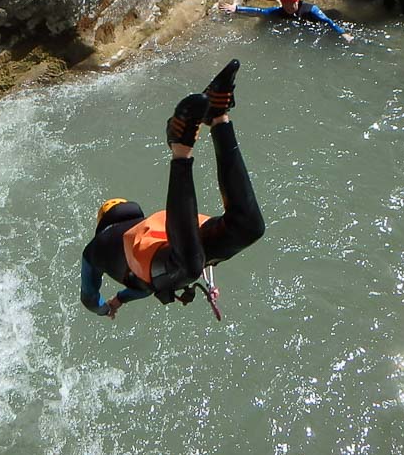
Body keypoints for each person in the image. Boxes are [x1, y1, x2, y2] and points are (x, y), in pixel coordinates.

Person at [80, 60, 266, 319]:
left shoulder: (95, 251)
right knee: (248, 227)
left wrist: (105, 308)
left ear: (103, 223)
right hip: (175, 234)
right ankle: (219, 118)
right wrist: (120, 298)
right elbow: (142, 285)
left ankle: (180, 150)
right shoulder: (144, 224)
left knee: (189, 266)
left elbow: (88, 298)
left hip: (174, 254)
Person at [220, 0, 353, 41]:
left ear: (298, 1)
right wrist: (236, 9)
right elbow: (259, 12)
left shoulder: (311, 10)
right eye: (286, 5)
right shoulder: (280, 12)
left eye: (292, 5)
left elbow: (327, 21)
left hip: (313, 28)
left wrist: (342, 33)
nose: (289, 8)